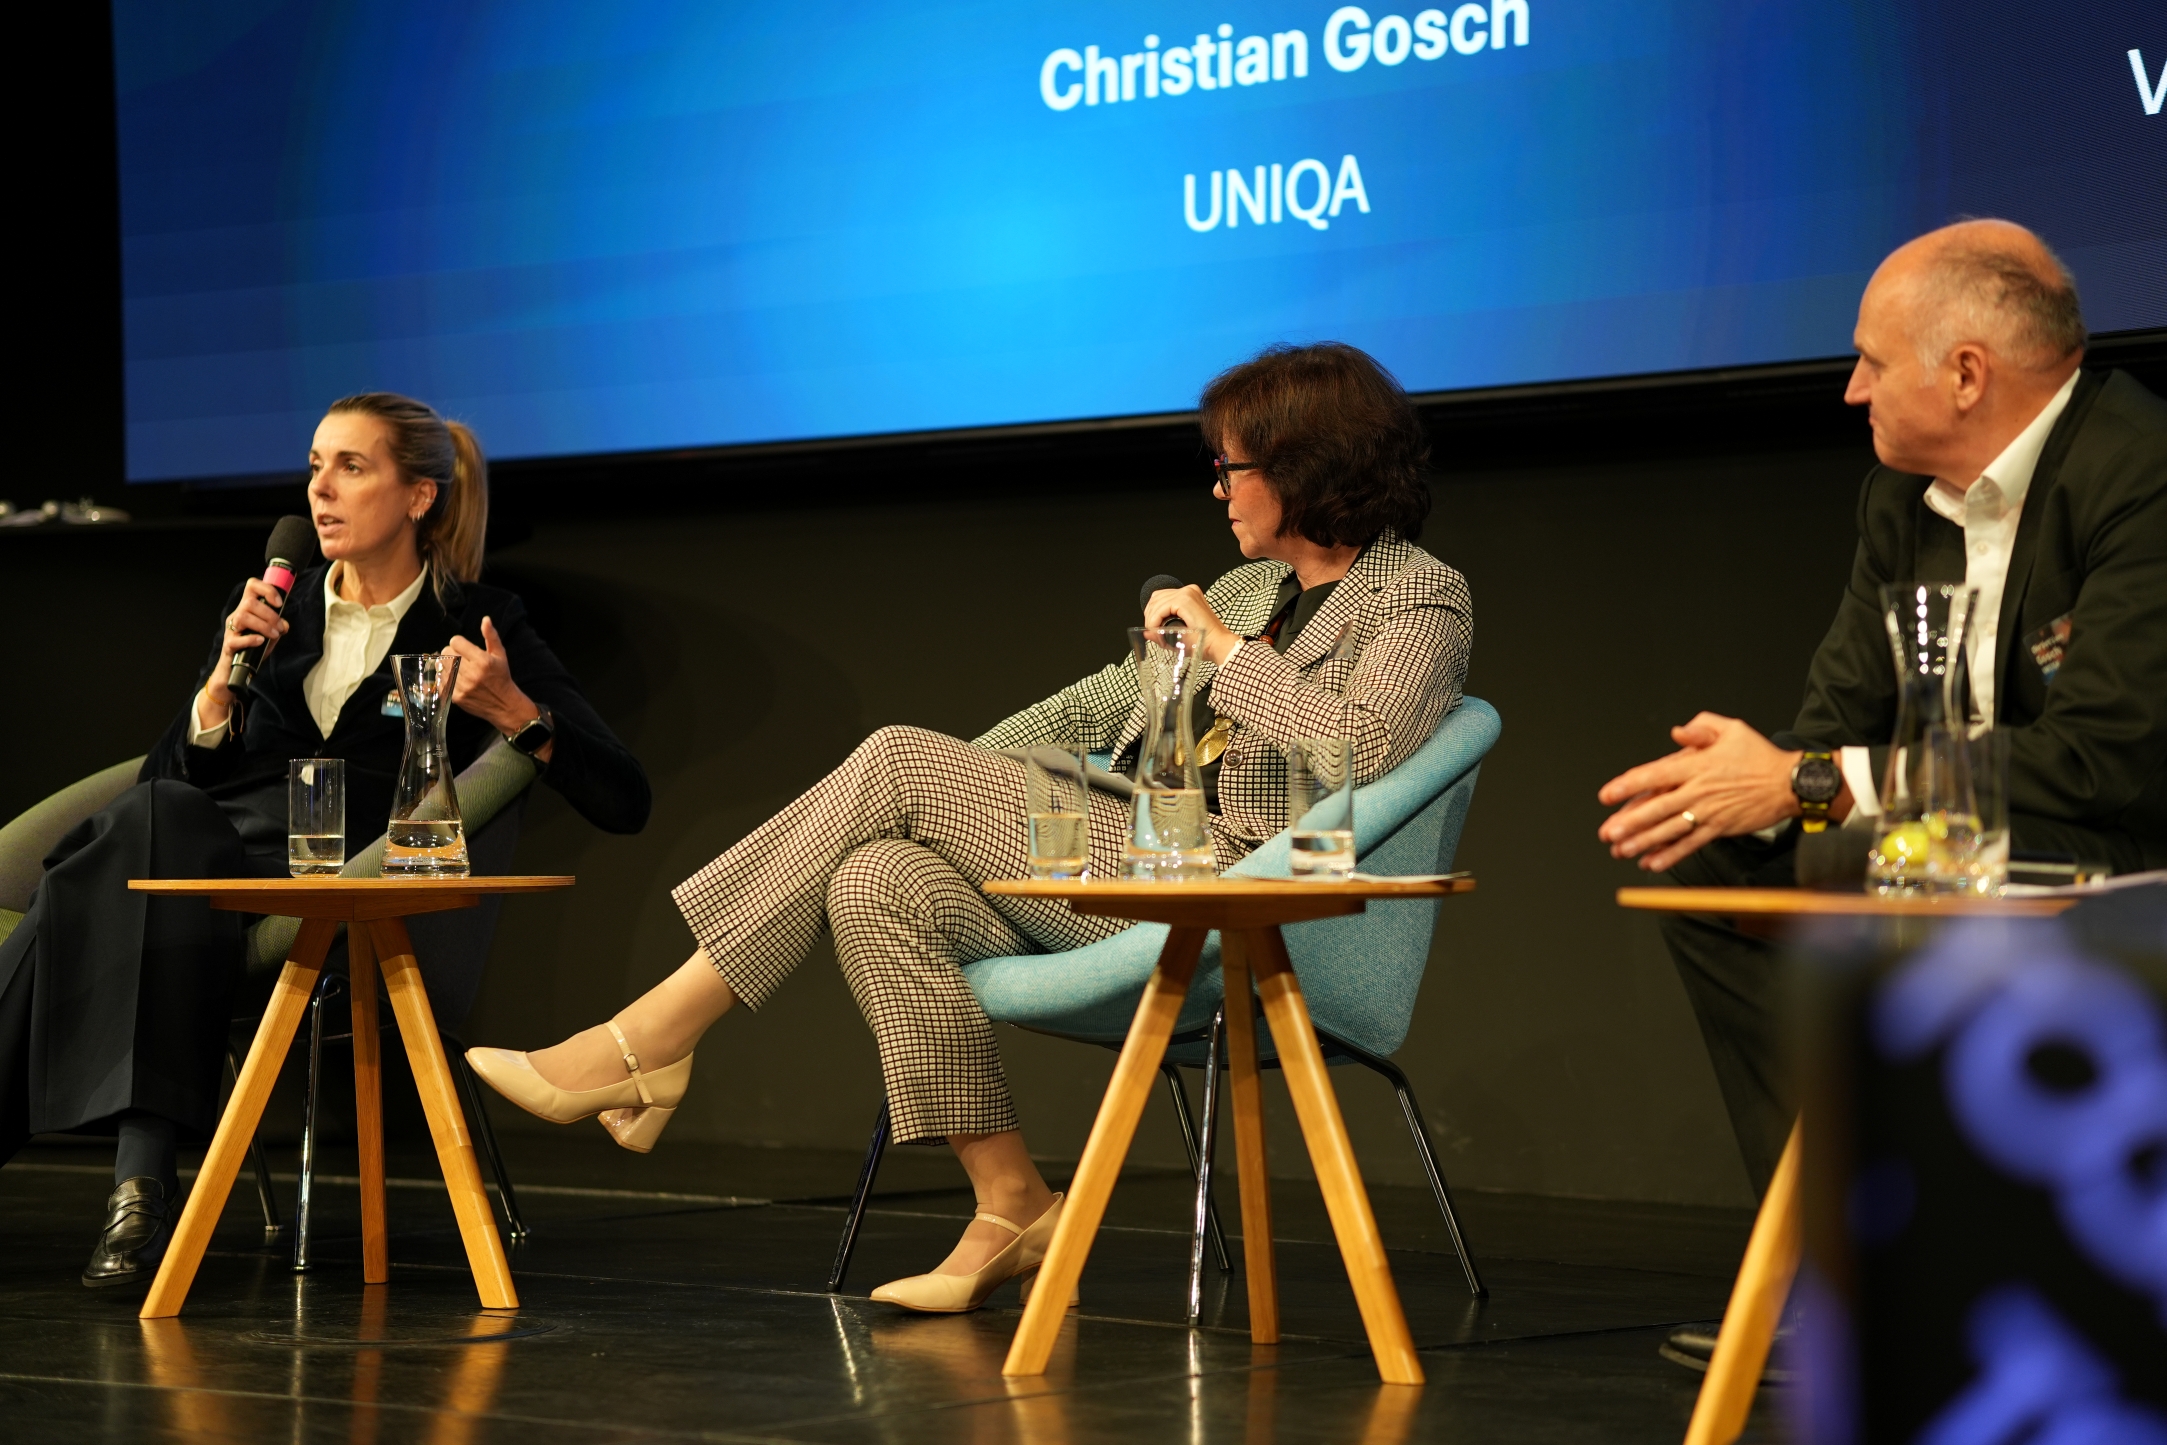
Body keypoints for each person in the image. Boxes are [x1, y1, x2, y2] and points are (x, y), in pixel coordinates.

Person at [467, 341, 1473, 1311]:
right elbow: (1088, 709)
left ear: (1304, 466)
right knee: (875, 873)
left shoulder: (1419, 595)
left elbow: (1362, 743)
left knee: (898, 762)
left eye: (1230, 467)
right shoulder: (1250, 591)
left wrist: (1222, 653)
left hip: (1255, 889)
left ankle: (651, 1037)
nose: (1217, 489)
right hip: (1134, 858)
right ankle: (1010, 1201)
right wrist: (950, 791)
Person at [0, 392, 651, 1287]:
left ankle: (142, 1177)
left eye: (351, 466)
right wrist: (215, 697)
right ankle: (141, 1188)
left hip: (332, 883)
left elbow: (624, 795)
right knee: (159, 821)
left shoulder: (477, 620)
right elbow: (162, 781)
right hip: (197, 860)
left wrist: (513, 711)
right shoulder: (274, 608)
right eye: (314, 467)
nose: (321, 490)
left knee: (99, 877)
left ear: (418, 496)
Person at [1595, 218, 2167, 1203]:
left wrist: (1805, 781)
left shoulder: (2139, 471)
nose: (1852, 389)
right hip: (1955, 834)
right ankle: (1840, 1220)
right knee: (1710, 854)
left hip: (2114, 846)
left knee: (1895, 848)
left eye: (1872, 361)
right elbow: (1834, 723)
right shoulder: (1896, 501)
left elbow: (2098, 762)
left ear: (1966, 374)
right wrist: (1745, 781)